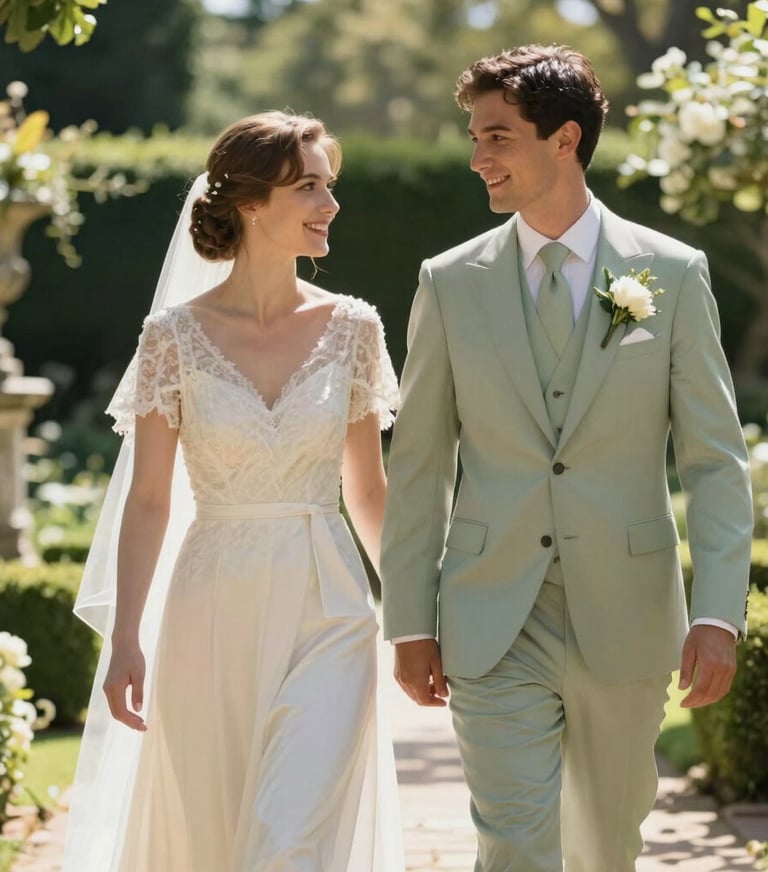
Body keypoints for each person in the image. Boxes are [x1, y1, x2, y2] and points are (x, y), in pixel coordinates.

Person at [381, 45, 752, 872]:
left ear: (564, 139)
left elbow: (715, 459)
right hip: (490, 615)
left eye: (498, 137)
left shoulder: (673, 274)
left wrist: (718, 612)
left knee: (604, 845)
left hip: (625, 610)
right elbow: (419, 463)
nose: (478, 158)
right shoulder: (448, 282)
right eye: (475, 137)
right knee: (515, 841)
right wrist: (408, 619)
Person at [64, 111, 404, 871]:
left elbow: (369, 491)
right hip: (210, 604)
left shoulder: (355, 330)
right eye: (310, 187)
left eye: (331, 186)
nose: (331, 205)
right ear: (251, 202)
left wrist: (418, 615)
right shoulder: (171, 338)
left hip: (331, 606)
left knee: (291, 835)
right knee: (216, 831)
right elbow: (150, 499)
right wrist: (125, 639)